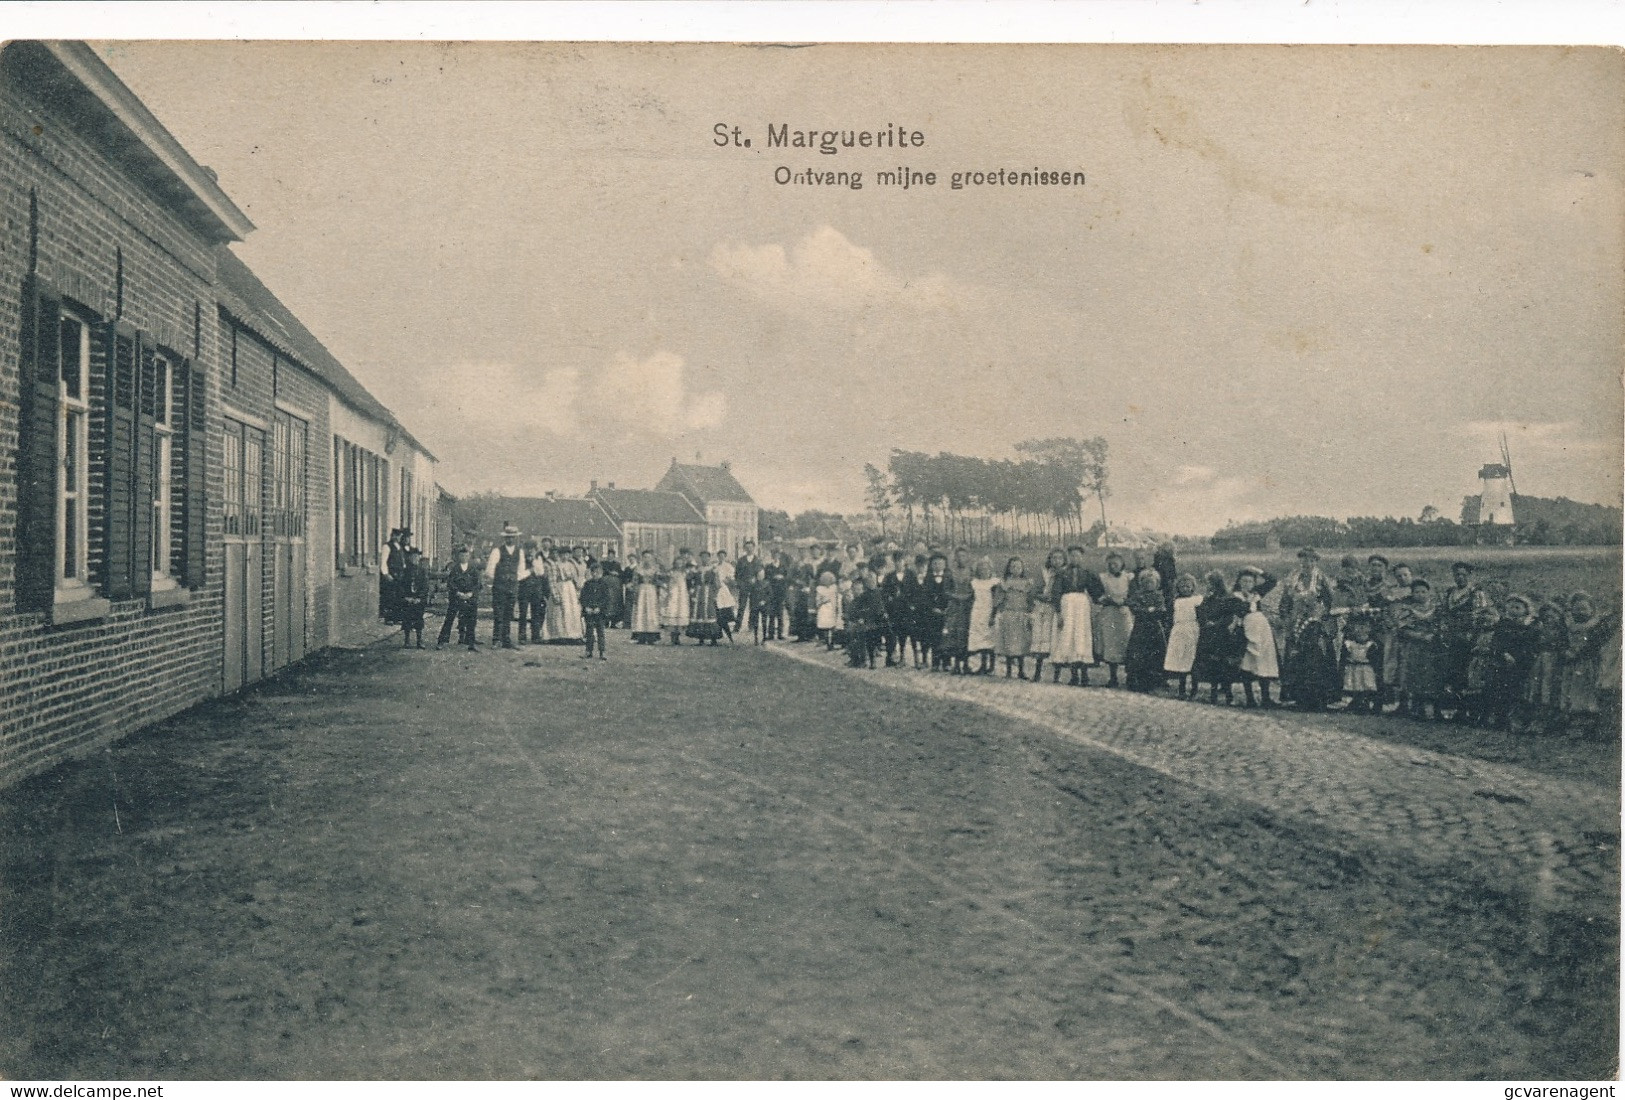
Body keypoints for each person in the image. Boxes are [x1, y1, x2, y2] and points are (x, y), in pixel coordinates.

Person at [1277, 548, 1337, 710]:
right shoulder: (1292, 579)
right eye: (1304, 560)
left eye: (1311, 561)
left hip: (1315, 624)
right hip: (1296, 624)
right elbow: (1285, 601)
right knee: (1296, 659)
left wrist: (1323, 617)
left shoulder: (1321, 579)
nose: (1307, 564)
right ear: (1300, 562)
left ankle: (1318, 699)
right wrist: (1286, 618)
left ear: (1316, 562)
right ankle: (1298, 698)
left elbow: (1331, 601)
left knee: (1316, 660)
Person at [1438, 561, 1489, 721]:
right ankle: (1455, 710)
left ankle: (1470, 712)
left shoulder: (1476, 593)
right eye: (1457, 575)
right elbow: (1444, 613)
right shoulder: (1449, 593)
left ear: (1470, 575)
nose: (1460, 578)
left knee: (1469, 674)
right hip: (1452, 638)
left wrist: (1471, 634)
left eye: (1463, 575)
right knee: (1453, 674)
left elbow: (1480, 615)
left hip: (1469, 639)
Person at [1050, 546, 1102, 686]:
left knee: (1082, 636)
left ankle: (1085, 676)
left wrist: (1101, 598)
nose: (1075, 558)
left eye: (1078, 556)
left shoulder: (1086, 573)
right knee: (1069, 636)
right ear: (1069, 557)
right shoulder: (1062, 574)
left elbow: (1095, 590)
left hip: (1081, 606)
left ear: (1082, 558)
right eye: (1072, 556)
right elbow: (1056, 593)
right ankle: (1074, 676)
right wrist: (1059, 612)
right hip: (1067, 605)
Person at [1484, 594, 1536, 730]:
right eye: (1511, 607)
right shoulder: (1503, 624)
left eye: (1517, 607)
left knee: (1517, 691)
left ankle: (1516, 719)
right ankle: (1500, 718)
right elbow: (1496, 642)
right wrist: (1504, 654)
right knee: (1501, 689)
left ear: (1525, 610)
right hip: (1503, 662)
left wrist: (1517, 657)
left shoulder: (1528, 626)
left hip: (1521, 663)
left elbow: (1529, 645)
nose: (1513, 610)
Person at [1193, 571, 1244, 705]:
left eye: (1210, 582)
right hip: (1209, 635)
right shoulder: (1208, 598)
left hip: (1222, 635)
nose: (1208, 585)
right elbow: (1200, 613)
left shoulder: (1227, 598)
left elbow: (1229, 616)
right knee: (1212, 665)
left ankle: (1228, 695)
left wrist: (1217, 623)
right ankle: (1213, 694)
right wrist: (1206, 622)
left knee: (1224, 666)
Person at [1395, 578, 1442, 720]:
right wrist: (1420, 636)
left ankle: (1434, 710)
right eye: (1417, 592)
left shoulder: (1437, 609)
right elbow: (1403, 629)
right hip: (1414, 647)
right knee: (1414, 675)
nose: (1420, 594)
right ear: (1412, 594)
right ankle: (1415, 708)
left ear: (1429, 593)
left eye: (1423, 591)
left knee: (1431, 675)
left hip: (1431, 648)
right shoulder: (1407, 609)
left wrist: (1434, 635)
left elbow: (1442, 626)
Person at [1234, 566, 1279, 707]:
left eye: (1250, 581)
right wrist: (1248, 601)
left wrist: (1256, 570)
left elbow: (1273, 581)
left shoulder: (1257, 593)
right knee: (1248, 663)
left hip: (1262, 630)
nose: (1247, 584)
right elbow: (1240, 612)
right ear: (1240, 582)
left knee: (1265, 661)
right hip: (1247, 631)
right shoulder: (1235, 597)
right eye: (1244, 581)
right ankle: (1250, 699)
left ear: (1254, 583)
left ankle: (1266, 698)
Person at [484, 523, 529, 649]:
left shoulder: (520, 552)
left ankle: (506, 639)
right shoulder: (497, 551)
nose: (510, 539)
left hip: (512, 587)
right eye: (508, 537)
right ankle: (496, 639)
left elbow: (521, 570)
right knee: (499, 613)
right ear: (505, 538)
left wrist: (514, 579)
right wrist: (500, 579)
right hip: (500, 587)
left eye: (513, 537)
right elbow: (489, 570)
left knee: (509, 614)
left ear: (516, 538)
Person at [1125, 569, 1169, 692]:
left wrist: (1149, 610)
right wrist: (1149, 610)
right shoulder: (1138, 595)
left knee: (1155, 653)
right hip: (1140, 628)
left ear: (1157, 583)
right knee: (1138, 653)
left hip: (1154, 629)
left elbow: (1161, 611)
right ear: (1141, 583)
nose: (1149, 585)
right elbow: (1135, 608)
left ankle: (1154, 680)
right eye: (1146, 582)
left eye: (1152, 582)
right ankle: (1136, 679)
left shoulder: (1159, 595)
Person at [1094, 551, 1134, 687]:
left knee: (1126, 641)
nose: (1113, 566)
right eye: (1110, 564)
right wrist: (1107, 600)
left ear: (1122, 564)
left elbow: (1133, 595)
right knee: (1111, 645)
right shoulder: (1103, 578)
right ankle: (1113, 677)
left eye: (1116, 564)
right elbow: (1097, 596)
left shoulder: (1128, 577)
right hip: (1109, 613)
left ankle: (1129, 677)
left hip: (1123, 612)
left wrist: (1124, 601)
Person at [994, 556, 1035, 680]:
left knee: (1021, 643)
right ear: (1009, 568)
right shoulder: (1004, 583)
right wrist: (1000, 608)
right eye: (1013, 566)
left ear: (1022, 568)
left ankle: (1021, 671)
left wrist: (1030, 611)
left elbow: (1030, 599)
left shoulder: (1027, 583)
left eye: (1018, 566)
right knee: (1009, 643)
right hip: (1009, 614)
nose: (1016, 569)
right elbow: (998, 599)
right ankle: (1008, 670)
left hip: (1021, 614)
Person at [1029, 549, 1065, 685]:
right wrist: (1041, 596)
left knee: (1056, 640)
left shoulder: (1065, 573)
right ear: (1049, 559)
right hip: (1043, 608)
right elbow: (1034, 591)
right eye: (1053, 558)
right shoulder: (1044, 573)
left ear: (1063, 560)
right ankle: (1037, 673)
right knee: (1041, 640)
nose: (1056, 561)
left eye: (1059, 558)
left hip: (1057, 609)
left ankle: (1057, 675)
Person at [437, 543, 482, 651]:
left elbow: (478, 584)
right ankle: (442, 641)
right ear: (458, 556)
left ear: (469, 556)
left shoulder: (473, 568)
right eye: (462, 556)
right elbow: (450, 583)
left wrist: (471, 593)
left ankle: (471, 643)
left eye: (466, 556)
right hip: (457, 597)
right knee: (449, 618)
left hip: (470, 597)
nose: (464, 558)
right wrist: (458, 593)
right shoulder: (455, 569)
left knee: (471, 620)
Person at [1162, 574, 1201, 699]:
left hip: (1192, 630)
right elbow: (1170, 616)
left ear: (1192, 587)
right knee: (1181, 660)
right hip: (1179, 631)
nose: (1185, 589)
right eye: (1182, 586)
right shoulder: (1175, 601)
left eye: (1188, 586)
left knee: (1193, 660)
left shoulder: (1197, 600)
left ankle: (1194, 689)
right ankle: (1182, 689)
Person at [941, 547, 976, 675]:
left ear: (967, 558)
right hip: (954, 607)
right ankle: (956, 665)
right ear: (955, 558)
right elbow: (945, 591)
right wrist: (956, 597)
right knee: (954, 635)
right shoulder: (950, 572)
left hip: (967, 607)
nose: (961, 558)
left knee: (966, 634)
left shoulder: (971, 572)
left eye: (963, 556)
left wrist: (968, 597)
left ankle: (966, 664)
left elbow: (975, 589)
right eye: (959, 556)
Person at [1339, 616, 1380, 713]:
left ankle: (1364, 703)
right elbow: (1344, 657)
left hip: (1365, 669)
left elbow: (1374, 659)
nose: (1361, 630)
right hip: (1353, 668)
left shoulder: (1371, 644)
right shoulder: (1349, 644)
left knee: (1365, 685)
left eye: (1365, 626)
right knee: (1355, 685)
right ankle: (1356, 702)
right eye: (1358, 627)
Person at [844, 574, 886, 668]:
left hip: (874, 622)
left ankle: (865, 659)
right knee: (853, 632)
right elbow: (855, 613)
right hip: (864, 622)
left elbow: (879, 608)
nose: (857, 591)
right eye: (855, 589)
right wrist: (859, 619)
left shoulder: (875, 594)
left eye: (859, 589)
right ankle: (857, 659)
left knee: (864, 632)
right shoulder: (859, 599)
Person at [918, 553, 952, 671]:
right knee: (934, 637)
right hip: (932, 613)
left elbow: (952, 594)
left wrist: (947, 608)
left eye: (940, 563)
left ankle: (947, 662)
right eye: (935, 563)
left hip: (946, 611)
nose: (937, 566)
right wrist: (932, 608)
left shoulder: (949, 577)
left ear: (945, 564)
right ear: (931, 565)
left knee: (945, 636)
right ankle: (936, 663)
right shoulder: (927, 578)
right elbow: (924, 596)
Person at [967, 558, 1000, 675]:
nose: (984, 571)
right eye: (981, 569)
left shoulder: (994, 582)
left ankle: (991, 666)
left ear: (990, 570)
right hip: (977, 612)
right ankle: (983, 664)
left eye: (986, 569)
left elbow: (996, 600)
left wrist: (993, 615)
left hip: (989, 611)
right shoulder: (974, 583)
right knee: (979, 639)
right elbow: (971, 598)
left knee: (990, 638)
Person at [686, 550, 724, 645]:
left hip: (709, 591)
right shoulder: (697, 569)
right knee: (699, 613)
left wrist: (715, 594)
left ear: (709, 558)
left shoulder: (713, 569)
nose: (704, 559)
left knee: (710, 613)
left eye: (706, 557)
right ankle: (701, 638)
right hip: (699, 592)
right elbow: (689, 579)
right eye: (702, 557)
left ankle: (713, 639)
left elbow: (717, 583)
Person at [397, 545, 430, 649]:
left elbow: (425, 585)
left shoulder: (422, 571)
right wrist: (406, 597)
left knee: (419, 619)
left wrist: (420, 597)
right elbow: (400, 586)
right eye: (412, 557)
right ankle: (407, 640)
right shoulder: (405, 571)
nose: (415, 559)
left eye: (416, 557)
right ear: (409, 558)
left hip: (418, 600)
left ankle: (419, 641)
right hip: (408, 599)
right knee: (406, 619)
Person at [630, 549, 665, 645]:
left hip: (651, 591)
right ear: (642, 558)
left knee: (651, 612)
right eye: (645, 557)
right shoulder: (638, 569)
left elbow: (661, 579)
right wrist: (635, 591)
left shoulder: (655, 569)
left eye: (649, 557)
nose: (647, 559)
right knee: (641, 611)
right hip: (641, 591)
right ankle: (641, 636)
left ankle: (651, 636)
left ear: (652, 558)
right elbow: (635, 581)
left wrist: (658, 584)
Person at [579, 560, 612, 660]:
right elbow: (582, 598)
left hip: (600, 612)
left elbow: (606, 598)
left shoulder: (604, 585)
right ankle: (588, 651)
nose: (595, 574)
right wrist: (586, 607)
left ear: (601, 573)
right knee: (589, 632)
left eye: (597, 572)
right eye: (593, 572)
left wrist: (599, 608)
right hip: (589, 612)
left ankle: (602, 652)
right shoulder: (587, 584)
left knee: (600, 632)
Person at [380, 528, 406, 623]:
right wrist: (386, 574)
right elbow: (383, 561)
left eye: (400, 536)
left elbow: (402, 561)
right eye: (398, 536)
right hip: (391, 575)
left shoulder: (399, 547)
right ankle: (389, 618)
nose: (399, 538)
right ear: (393, 536)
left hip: (399, 575)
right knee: (390, 597)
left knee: (399, 596)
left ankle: (397, 617)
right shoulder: (387, 546)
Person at [713, 548, 738, 644]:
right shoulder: (715, 566)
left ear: (725, 556)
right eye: (719, 556)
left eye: (723, 556)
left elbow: (732, 579)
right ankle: (715, 635)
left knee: (724, 612)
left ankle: (729, 636)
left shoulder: (728, 566)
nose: (721, 557)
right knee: (715, 613)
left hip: (723, 590)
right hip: (715, 589)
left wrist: (726, 581)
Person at [814, 570, 841, 650]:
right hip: (825, 609)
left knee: (830, 627)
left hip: (829, 608)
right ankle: (829, 644)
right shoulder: (820, 589)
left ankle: (830, 644)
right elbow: (818, 600)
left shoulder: (834, 588)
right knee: (828, 627)